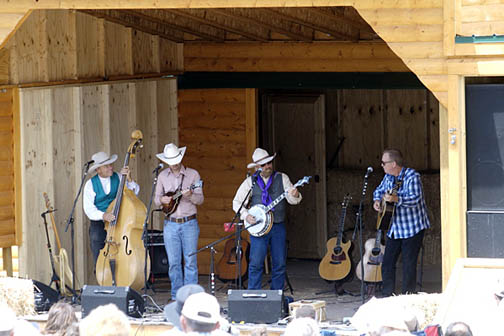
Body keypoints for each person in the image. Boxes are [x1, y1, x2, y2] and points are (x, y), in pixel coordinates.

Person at [233, 148, 302, 290]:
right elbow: (237, 202)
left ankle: (276, 297)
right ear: (257, 167)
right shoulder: (250, 182)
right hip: (258, 228)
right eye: (264, 165)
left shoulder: (282, 178)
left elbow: (292, 200)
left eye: (269, 163)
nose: (268, 166)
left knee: (279, 263)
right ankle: (253, 296)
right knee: (255, 263)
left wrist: (295, 194)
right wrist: (246, 215)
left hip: (277, 226)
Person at [373, 149, 430, 297]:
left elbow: (415, 198)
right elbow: (378, 191)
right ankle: (387, 294)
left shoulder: (412, 176)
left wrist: (396, 199)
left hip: (413, 227)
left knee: (408, 264)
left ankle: (407, 295)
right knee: (387, 262)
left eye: (384, 163)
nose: (382, 165)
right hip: (396, 227)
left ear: (393, 164)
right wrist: (377, 201)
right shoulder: (388, 177)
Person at [154, 143, 204, 298]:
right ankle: (176, 296)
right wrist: (163, 199)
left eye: (176, 159)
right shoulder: (162, 176)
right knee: (174, 263)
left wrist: (190, 195)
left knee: (190, 261)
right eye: (171, 160)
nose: (174, 163)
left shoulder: (193, 175)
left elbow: (200, 199)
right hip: (170, 223)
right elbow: (156, 200)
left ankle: (190, 297)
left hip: (189, 222)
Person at [83, 151, 140, 266]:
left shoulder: (119, 177)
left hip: (118, 221)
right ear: (98, 170)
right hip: (99, 224)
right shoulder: (90, 184)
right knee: (99, 255)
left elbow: (134, 195)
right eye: (106, 166)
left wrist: (129, 179)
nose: (111, 167)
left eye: (111, 164)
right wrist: (103, 215)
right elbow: (88, 208)